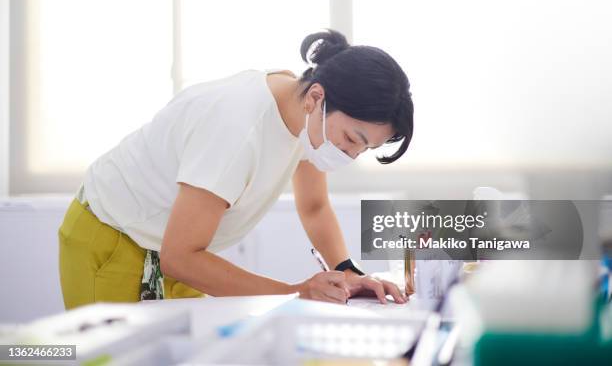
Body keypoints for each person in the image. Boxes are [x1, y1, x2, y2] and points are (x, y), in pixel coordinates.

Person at [58, 29, 414, 309]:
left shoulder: (302, 116)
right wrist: (295, 292)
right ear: (317, 97)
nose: (350, 154)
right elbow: (179, 258)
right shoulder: (238, 128)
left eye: (364, 149)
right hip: (114, 238)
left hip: (181, 251)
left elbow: (314, 207)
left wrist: (347, 272)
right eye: (352, 138)